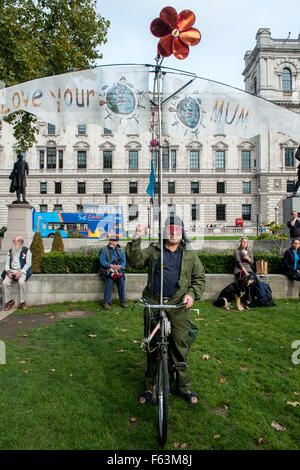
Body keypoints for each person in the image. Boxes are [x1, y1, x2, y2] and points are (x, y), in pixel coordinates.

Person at [126, 215, 206, 405]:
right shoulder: (154, 251)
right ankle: (149, 386)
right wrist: (137, 237)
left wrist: (191, 295)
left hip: (178, 305)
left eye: (177, 229)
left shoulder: (189, 254)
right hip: (154, 302)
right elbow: (135, 261)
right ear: (164, 232)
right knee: (153, 346)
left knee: (179, 346)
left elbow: (200, 278)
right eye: (170, 229)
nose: (174, 233)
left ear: (182, 232)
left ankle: (183, 387)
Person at [1, 236, 32, 311]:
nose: (13, 243)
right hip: (11, 271)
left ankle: (23, 302)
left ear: (19, 242)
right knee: (5, 283)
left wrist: (20, 272)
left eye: (14, 241)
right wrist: (8, 272)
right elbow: (7, 263)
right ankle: (10, 301)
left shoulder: (27, 251)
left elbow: (28, 264)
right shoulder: (10, 251)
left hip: (21, 271)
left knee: (21, 282)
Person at [99, 235, 127, 310]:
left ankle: (123, 301)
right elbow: (102, 261)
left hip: (118, 270)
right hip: (108, 270)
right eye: (110, 240)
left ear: (117, 242)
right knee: (109, 281)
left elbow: (124, 262)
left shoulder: (121, 250)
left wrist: (121, 267)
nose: (111, 241)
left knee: (121, 281)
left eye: (113, 240)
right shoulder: (104, 249)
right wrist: (110, 265)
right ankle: (106, 303)